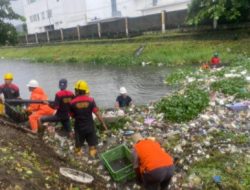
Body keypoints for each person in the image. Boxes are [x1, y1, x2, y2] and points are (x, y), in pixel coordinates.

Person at [70, 80, 107, 158]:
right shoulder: (91, 100)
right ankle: (92, 159)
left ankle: (79, 160)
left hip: (79, 128)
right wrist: (103, 124)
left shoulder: (72, 102)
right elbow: (97, 113)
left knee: (78, 147)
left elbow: (72, 115)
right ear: (85, 90)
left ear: (77, 91)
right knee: (92, 146)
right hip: (90, 127)